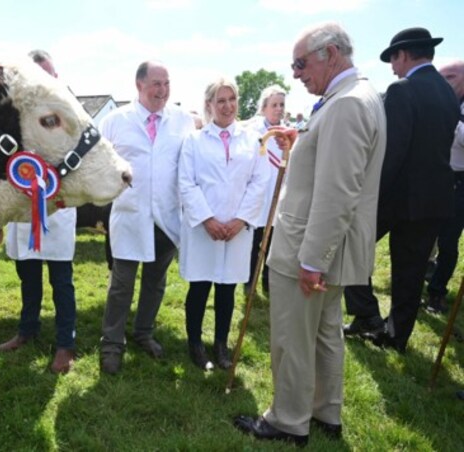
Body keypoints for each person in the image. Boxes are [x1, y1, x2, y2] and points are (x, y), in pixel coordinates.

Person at [234, 22, 386, 445]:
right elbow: (333, 165)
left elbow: (337, 191)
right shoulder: (353, 97)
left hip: (310, 246)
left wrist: (311, 260)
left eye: (301, 64)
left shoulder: (346, 105)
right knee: (324, 334)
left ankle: (287, 420)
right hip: (325, 246)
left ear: (331, 54)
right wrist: (301, 143)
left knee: (292, 337)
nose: (296, 73)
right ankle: (325, 412)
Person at [343, 28, 460, 353]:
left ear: (405, 54)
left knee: (349, 245)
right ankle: (396, 336)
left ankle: (366, 314)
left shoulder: (403, 89)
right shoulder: (447, 92)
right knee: (410, 273)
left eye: (393, 59)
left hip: (397, 195)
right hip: (435, 197)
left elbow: (391, 152)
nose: (392, 67)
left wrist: (366, 196)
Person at [98, 61, 193, 374]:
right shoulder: (115, 121)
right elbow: (97, 163)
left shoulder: (181, 121)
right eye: (156, 83)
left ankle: (144, 332)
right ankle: (112, 344)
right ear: (138, 85)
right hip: (130, 215)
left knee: (155, 282)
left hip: (166, 216)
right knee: (121, 284)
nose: (162, 90)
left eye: (166, 83)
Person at [178, 78, 268, 370]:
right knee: (200, 285)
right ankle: (195, 342)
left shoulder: (251, 139)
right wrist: (207, 219)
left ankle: (220, 344)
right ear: (209, 105)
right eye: (220, 101)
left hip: (237, 229)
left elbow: (259, 181)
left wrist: (241, 219)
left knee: (227, 288)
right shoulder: (194, 140)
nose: (228, 106)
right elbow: (186, 183)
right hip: (205, 226)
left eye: (232, 99)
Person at [0, 50, 77, 374]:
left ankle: (65, 343)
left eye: (50, 74)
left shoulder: (69, 108)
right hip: (23, 204)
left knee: (61, 279)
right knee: (27, 274)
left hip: (56, 205)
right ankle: (27, 330)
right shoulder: (15, 110)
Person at [425, 60, 464, 314]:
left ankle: (437, 292)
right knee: (422, 234)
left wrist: (453, 120)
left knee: (449, 241)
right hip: (433, 178)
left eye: (449, 77)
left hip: (458, 182)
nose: (444, 83)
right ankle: (418, 277)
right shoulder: (438, 102)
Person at [245, 85, 288, 296]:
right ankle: (249, 282)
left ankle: (268, 282)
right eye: (274, 105)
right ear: (264, 108)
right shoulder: (253, 133)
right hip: (259, 197)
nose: (278, 109)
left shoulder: (289, 133)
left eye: (281, 104)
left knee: (274, 244)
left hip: (279, 196)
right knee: (254, 241)